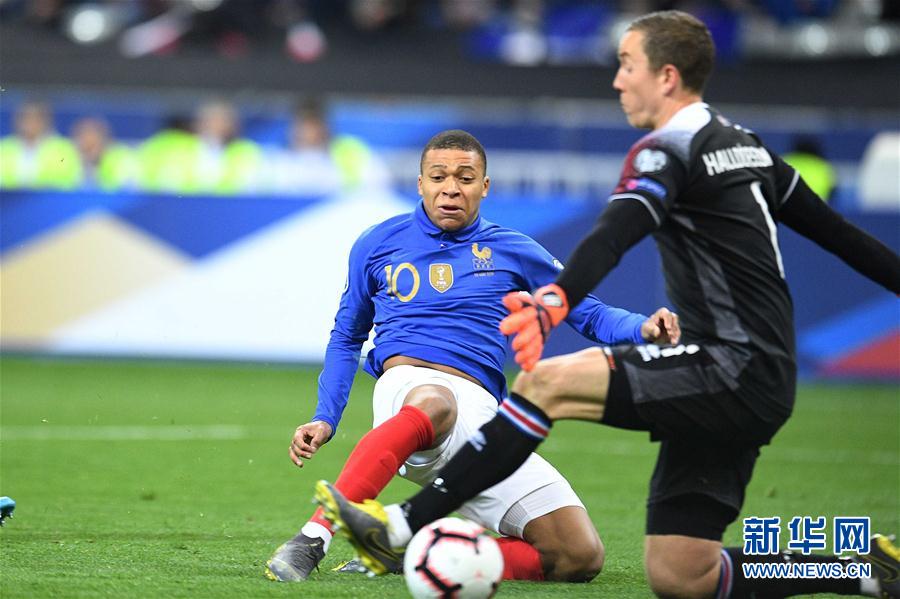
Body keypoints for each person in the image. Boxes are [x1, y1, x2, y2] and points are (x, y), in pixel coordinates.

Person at [314, 11, 900, 599]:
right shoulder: (748, 149)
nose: (617, 80)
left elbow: (614, 235)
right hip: (759, 376)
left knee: (545, 383)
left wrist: (554, 301)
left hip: (724, 365)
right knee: (683, 576)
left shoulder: (665, 152)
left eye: (627, 65)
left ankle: (401, 525)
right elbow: (843, 237)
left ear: (666, 76)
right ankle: (861, 572)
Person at [266, 129, 681, 583]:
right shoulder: (378, 243)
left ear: (484, 186)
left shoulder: (513, 249)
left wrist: (643, 328)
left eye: (465, 178)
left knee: (578, 555)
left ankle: (408, 555)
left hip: (484, 419)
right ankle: (312, 538)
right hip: (410, 394)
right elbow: (347, 337)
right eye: (438, 177)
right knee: (435, 400)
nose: (451, 188)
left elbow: (588, 312)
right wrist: (326, 417)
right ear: (420, 183)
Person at [265, 99, 389, 196]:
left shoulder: (353, 154)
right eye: (302, 124)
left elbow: (380, 188)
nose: (306, 131)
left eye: (312, 124)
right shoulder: (275, 161)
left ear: (324, 126)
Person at [0, 101, 81, 190]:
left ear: (46, 121)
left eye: (36, 118)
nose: (30, 123)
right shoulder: (3, 148)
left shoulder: (64, 148)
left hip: (52, 198)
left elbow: (70, 181)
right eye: (25, 118)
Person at [71, 117, 137, 191]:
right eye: (86, 148)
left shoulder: (122, 165)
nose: (90, 153)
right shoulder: (72, 165)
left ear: (104, 141)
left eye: (92, 146)